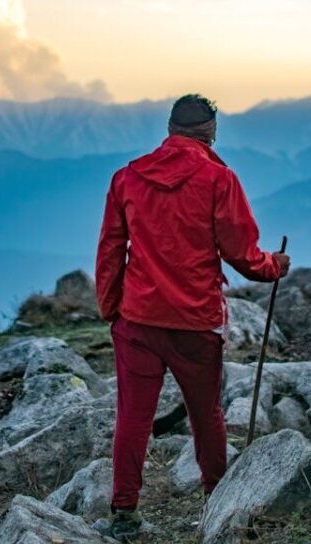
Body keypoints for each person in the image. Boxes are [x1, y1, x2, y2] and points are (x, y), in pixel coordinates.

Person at [94, 93, 290, 541]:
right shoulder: (219, 179)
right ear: (211, 131)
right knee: (206, 416)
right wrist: (272, 267)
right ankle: (216, 501)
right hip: (196, 323)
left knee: (132, 417)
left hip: (138, 321)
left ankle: (124, 514)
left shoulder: (127, 178)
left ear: (169, 128)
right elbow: (241, 254)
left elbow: (110, 249)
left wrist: (111, 309)